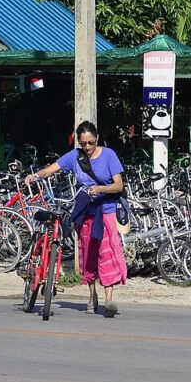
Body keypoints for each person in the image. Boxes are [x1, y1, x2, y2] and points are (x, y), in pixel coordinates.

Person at [26, 121, 127, 318]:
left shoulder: (109, 155)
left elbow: (118, 186)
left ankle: (108, 300)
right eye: (83, 143)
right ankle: (92, 297)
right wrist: (36, 176)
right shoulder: (75, 156)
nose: (87, 147)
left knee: (107, 254)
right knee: (88, 254)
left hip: (106, 211)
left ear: (97, 138)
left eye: (90, 142)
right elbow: (51, 169)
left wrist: (99, 189)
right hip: (85, 211)